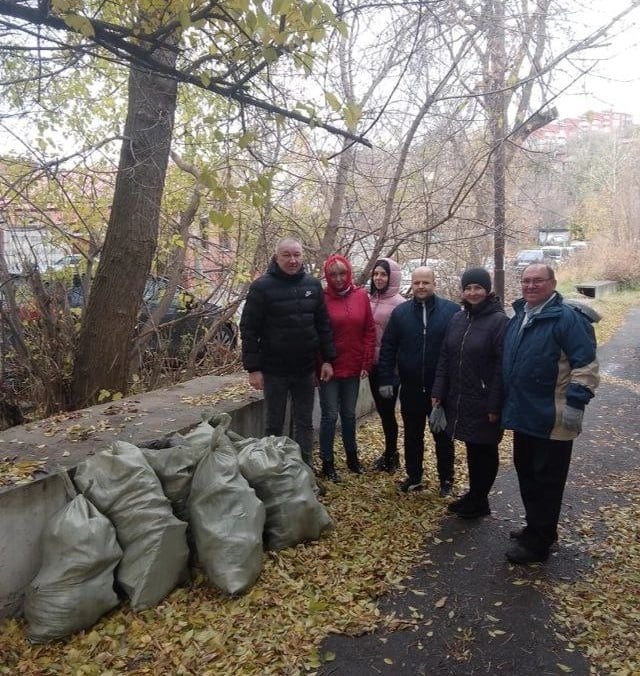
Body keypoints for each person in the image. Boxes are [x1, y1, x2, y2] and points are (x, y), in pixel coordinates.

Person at [502, 263, 599, 564]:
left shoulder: (567, 319)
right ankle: (537, 527)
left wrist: (575, 404)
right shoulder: (522, 315)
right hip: (524, 414)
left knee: (547, 480)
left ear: (553, 283)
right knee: (528, 473)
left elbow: (586, 365)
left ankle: (539, 543)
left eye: (538, 281)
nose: (530, 286)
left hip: (553, 417)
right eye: (526, 281)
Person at [239, 238, 336, 468]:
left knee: (304, 424)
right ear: (276, 257)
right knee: (273, 425)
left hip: (304, 369)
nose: (292, 260)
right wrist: (253, 368)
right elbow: (248, 329)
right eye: (286, 255)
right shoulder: (261, 287)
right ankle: (271, 472)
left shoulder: (312, 286)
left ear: (302, 256)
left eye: (297, 255)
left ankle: (304, 470)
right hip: (274, 371)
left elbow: (323, 325)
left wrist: (328, 360)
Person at [431, 267, 507, 518]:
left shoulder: (498, 321)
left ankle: (480, 498)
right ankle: (476, 496)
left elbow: (501, 369)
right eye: (468, 288)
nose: (473, 292)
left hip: (485, 400)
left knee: (485, 449)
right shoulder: (458, 318)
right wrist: (439, 390)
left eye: (478, 288)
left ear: (488, 291)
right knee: (473, 448)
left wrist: (495, 405)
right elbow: (445, 356)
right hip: (461, 398)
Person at [378, 266, 459, 494]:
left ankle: (447, 481)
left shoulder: (451, 311)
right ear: (411, 285)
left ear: (434, 283)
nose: (421, 287)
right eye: (417, 283)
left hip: (440, 390)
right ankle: (414, 477)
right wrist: (386, 378)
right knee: (412, 436)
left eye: (426, 282)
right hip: (411, 388)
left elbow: (457, 350)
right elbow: (388, 347)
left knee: (442, 437)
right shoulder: (401, 313)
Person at [319, 254, 376, 482]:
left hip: (353, 365)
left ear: (349, 272)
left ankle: (352, 458)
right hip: (329, 368)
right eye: (333, 274)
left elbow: (369, 330)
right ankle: (327, 462)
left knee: (349, 415)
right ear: (327, 276)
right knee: (330, 416)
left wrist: (366, 361)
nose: (339, 278)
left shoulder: (361, 295)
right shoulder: (322, 299)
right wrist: (322, 361)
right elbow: (319, 334)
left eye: (342, 273)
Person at [368, 258, 406, 473]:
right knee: (384, 412)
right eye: (376, 274)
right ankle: (390, 452)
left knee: (388, 411)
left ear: (392, 277)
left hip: (390, 369)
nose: (379, 278)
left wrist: (394, 369)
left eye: (383, 274)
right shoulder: (370, 299)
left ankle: (392, 454)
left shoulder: (400, 303)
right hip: (373, 366)